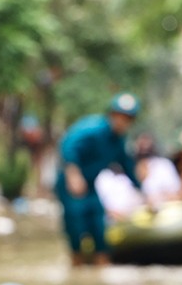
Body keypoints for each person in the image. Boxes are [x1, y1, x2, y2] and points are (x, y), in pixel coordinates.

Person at [55, 93, 141, 265]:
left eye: (127, 119)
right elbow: (68, 145)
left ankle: (101, 266)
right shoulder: (92, 129)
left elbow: (127, 167)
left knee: (98, 224)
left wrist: (142, 190)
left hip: (91, 185)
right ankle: (76, 261)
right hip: (70, 183)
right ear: (111, 114)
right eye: (119, 116)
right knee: (76, 223)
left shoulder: (118, 141)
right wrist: (73, 174)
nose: (122, 122)